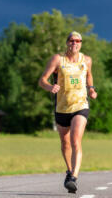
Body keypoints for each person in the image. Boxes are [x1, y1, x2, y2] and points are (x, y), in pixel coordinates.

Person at [38, 31, 97, 193]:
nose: (75, 43)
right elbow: (42, 80)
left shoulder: (87, 60)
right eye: (72, 41)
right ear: (67, 43)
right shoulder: (58, 60)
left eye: (78, 41)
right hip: (62, 108)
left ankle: (73, 178)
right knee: (65, 143)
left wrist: (91, 89)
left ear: (81, 44)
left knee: (75, 140)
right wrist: (50, 87)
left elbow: (89, 76)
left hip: (81, 106)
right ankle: (69, 171)